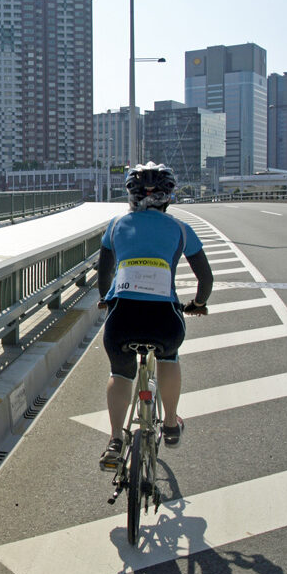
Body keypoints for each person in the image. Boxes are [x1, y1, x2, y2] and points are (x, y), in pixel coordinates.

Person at [96, 162, 213, 470]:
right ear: (168, 197)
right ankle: (171, 424)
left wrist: (103, 300)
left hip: (122, 320)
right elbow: (206, 279)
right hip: (165, 321)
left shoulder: (115, 226)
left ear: (130, 195)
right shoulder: (180, 229)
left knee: (120, 373)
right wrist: (198, 303)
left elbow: (104, 273)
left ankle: (114, 441)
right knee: (169, 356)